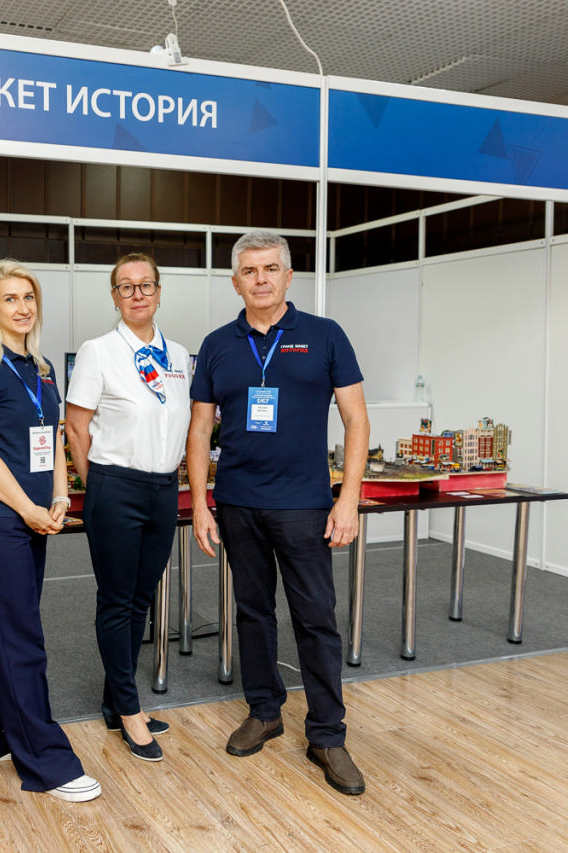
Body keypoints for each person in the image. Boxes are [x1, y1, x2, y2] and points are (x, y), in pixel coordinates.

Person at [186, 230, 371, 796]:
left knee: (316, 618)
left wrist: (348, 499)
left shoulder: (325, 335)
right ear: (235, 281)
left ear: (289, 277)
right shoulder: (217, 345)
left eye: (270, 269)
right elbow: (199, 428)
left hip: (304, 504)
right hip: (238, 502)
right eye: (249, 270)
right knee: (252, 613)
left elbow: (357, 421)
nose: (260, 279)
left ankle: (327, 735)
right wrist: (201, 503)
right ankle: (265, 711)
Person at [0, 259, 100, 803]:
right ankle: (46, 763)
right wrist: (28, 510)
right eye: (10, 299)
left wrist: (58, 498)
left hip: (35, 518)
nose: (22, 307)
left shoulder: (42, 368)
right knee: (21, 641)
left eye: (29, 297)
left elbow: (54, 438)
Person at [65, 253, 190, 762]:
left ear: (159, 292)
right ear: (114, 296)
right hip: (115, 487)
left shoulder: (178, 355)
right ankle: (131, 711)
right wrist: (99, 485)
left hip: (163, 490)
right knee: (117, 601)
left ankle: (115, 702)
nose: (137, 294)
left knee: (141, 601)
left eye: (146, 285)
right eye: (126, 287)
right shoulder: (98, 351)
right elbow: (76, 427)